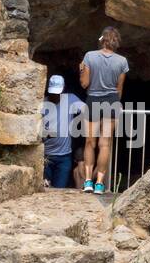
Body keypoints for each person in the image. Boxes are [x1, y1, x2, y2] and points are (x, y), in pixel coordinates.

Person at [79, 25, 129, 194]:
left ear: (102, 40)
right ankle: (100, 183)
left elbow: (84, 83)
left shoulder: (89, 56)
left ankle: (87, 181)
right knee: (105, 143)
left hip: (93, 99)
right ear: (116, 42)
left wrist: (81, 70)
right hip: (112, 102)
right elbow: (119, 88)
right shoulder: (122, 61)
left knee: (90, 143)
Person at [41, 74, 86, 189]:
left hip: (64, 157)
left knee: (59, 190)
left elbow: (87, 110)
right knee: (45, 191)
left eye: (57, 93)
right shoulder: (42, 103)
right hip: (45, 157)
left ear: (63, 89)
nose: (55, 95)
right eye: (53, 93)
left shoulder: (70, 99)